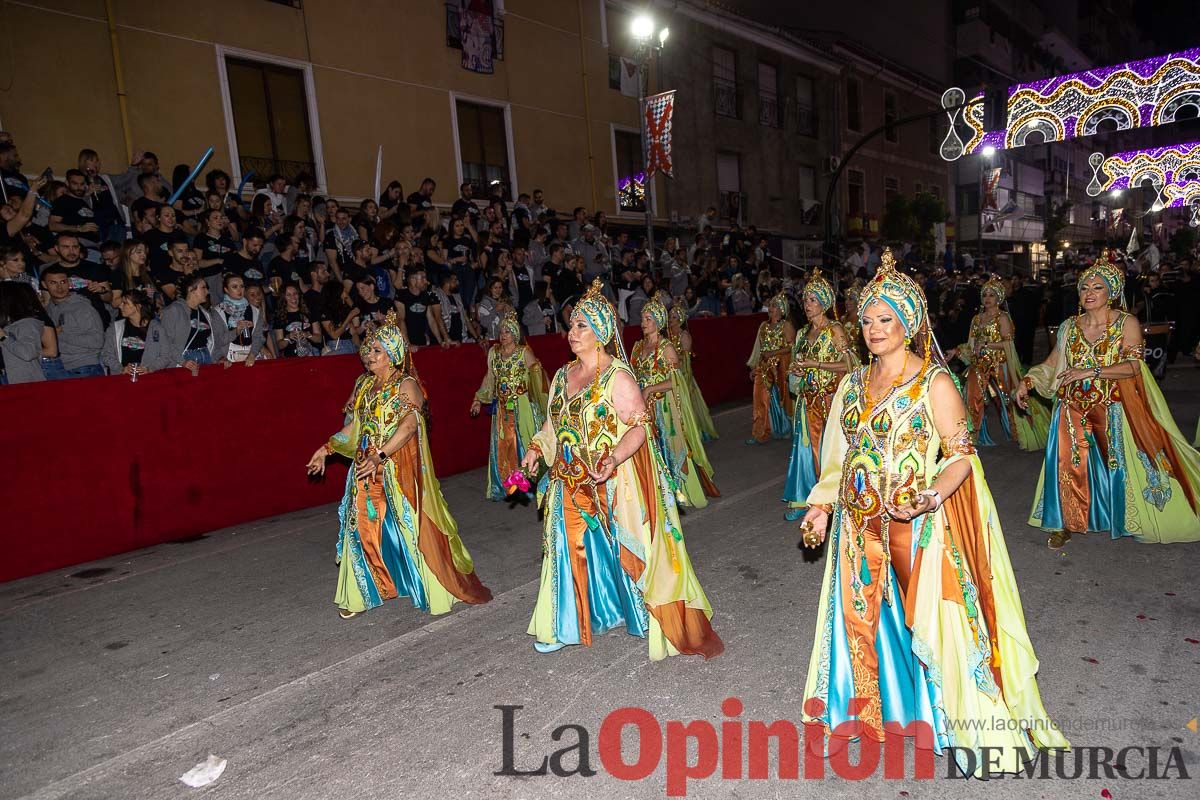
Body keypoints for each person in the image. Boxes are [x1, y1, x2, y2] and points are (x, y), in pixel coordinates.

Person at [799, 247, 1068, 776]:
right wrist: (821, 509)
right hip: (858, 526)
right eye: (869, 319)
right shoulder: (852, 384)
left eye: (886, 319)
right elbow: (837, 457)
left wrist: (932, 495)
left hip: (917, 524)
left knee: (929, 621)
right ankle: (863, 712)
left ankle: (949, 721)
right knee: (862, 616)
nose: (875, 329)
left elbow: (962, 456)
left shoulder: (934, 383)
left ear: (910, 323)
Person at [520, 279, 723, 660]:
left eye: (582, 325)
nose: (573, 332)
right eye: (572, 324)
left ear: (601, 332)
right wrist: (535, 449)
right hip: (569, 479)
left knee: (623, 546)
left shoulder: (618, 377)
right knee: (567, 548)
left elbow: (640, 428)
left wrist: (613, 458)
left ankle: (637, 609)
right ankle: (564, 624)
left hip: (612, 480)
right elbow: (553, 424)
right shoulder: (563, 376)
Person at [306, 312, 492, 618]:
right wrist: (325, 449)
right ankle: (362, 593)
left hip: (395, 471)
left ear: (393, 355)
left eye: (377, 350)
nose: (369, 355)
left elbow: (408, 427)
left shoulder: (407, 386)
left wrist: (380, 455)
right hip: (364, 471)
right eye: (368, 349)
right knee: (359, 526)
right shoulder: (366, 387)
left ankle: (433, 588)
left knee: (409, 527)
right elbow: (354, 428)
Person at [1015, 251, 1200, 548]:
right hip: (1071, 408)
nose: (1089, 293)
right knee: (1068, 464)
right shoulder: (1069, 327)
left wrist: (1092, 370)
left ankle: (1122, 516)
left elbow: (1133, 366)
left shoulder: (1126, 323)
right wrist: (1027, 381)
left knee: (1119, 467)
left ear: (1111, 292)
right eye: (1085, 288)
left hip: (1113, 407)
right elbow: (1052, 364)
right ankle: (1065, 522)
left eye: (1097, 287)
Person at [782, 270, 857, 521]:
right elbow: (799, 363)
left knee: (832, 450)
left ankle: (837, 498)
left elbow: (850, 366)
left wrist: (817, 365)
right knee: (809, 450)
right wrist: (796, 368)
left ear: (824, 302)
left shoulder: (835, 330)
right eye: (805, 300)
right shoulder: (803, 333)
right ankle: (810, 498)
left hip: (831, 399)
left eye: (812, 299)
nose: (807, 304)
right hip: (808, 399)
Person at [630, 298, 719, 508]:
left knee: (667, 448)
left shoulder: (666, 348)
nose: (643, 322)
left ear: (658, 322)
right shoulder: (637, 347)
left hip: (663, 408)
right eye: (642, 318)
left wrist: (650, 388)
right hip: (643, 408)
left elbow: (676, 381)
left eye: (648, 318)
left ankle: (675, 491)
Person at [947, 276, 1049, 450]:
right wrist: (956, 351)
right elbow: (971, 345)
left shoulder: (1003, 318)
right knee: (972, 396)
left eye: (992, 295)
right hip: (979, 365)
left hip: (1000, 365)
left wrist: (987, 344)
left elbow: (1008, 343)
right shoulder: (976, 319)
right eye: (985, 295)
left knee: (1008, 400)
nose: (987, 298)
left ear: (999, 298)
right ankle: (972, 435)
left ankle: (1019, 433)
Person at [470, 312, 549, 500]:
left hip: (522, 405)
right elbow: (489, 378)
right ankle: (507, 484)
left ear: (515, 334)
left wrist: (543, 400)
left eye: (507, 331)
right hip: (503, 407)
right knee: (505, 445)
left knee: (526, 441)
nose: (503, 334)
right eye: (501, 331)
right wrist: (478, 399)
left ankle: (532, 483)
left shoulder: (524, 352)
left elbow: (538, 375)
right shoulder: (494, 353)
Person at [145, 273, 227, 372]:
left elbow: (211, 341)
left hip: (204, 359)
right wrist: (182, 361)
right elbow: (166, 342)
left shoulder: (206, 314)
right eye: (203, 288)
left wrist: (219, 357)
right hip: (182, 363)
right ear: (190, 289)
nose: (207, 291)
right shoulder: (173, 310)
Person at [745, 292, 795, 444]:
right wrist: (755, 367)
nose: (771, 308)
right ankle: (760, 432)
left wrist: (774, 353)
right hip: (764, 367)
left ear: (782, 309)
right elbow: (759, 349)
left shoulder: (786, 326)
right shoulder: (763, 326)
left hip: (781, 368)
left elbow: (792, 348)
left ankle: (786, 428)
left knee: (782, 398)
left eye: (774, 306)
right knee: (760, 398)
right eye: (770, 305)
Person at [666, 304, 718, 442]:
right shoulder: (667, 337)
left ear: (680, 320)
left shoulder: (684, 335)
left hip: (683, 374)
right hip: (671, 374)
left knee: (687, 403)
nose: (671, 319)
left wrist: (676, 364)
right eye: (670, 316)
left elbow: (686, 358)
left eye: (674, 317)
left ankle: (694, 433)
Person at [42, 264, 104, 378]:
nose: (59, 287)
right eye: (53, 283)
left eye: (63, 282)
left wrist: (58, 335)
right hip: (59, 367)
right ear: (44, 285)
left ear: (69, 283)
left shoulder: (83, 307)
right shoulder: (47, 310)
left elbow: (97, 341)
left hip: (86, 368)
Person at [212, 274, 264, 367]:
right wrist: (236, 331)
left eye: (242, 286)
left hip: (252, 355)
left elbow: (259, 337)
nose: (240, 290)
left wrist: (252, 355)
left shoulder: (255, 311)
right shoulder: (218, 311)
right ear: (226, 290)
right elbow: (217, 340)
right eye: (235, 287)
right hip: (229, 357)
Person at [0, 281, 47, 383]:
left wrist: (3, 337)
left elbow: (28, 353)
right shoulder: (8, 325)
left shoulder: (27, 324)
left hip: (25, 384)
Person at [102, 289, 156, 377]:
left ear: (138, 306)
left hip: (148, 378)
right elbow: (106, 355)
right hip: (122, 378)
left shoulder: (155, 328)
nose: (120, 306)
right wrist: (121, 368)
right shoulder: (115, 328)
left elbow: (164, 355)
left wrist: (150, 368)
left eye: (125, 303)